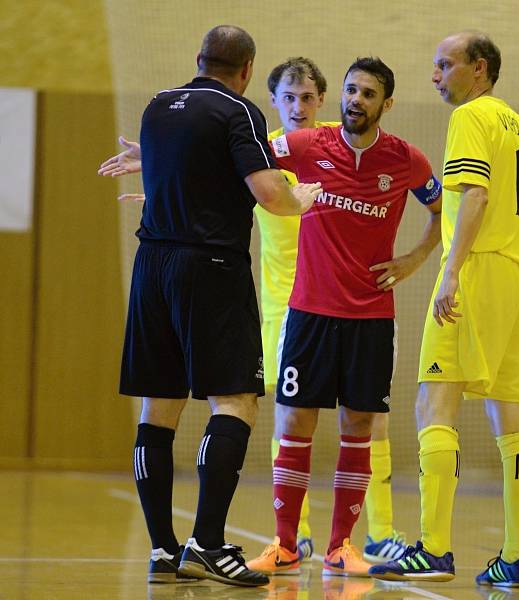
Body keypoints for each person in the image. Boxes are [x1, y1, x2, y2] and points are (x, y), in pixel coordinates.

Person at [100, 25, 321, 587]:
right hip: (213, 268)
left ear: (198, 59)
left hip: (152, 270)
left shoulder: (157, 108)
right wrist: (299, 200)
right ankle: (208, 541)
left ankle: (162, 550)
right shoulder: (238, 111)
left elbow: (187, 176)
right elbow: (268, 194)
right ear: (247, 69)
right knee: (237, 400)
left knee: (159, 407)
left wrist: (149, 164)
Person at [245, 57, 442, 578]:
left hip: (372, 317)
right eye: (351, 90)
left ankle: (341, 546)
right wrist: (161, 171)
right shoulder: (309, 145)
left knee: (360, 427)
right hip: (308, 313)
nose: (355, 100)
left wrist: (415, 258)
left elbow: (447, 208)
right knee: (294, 423)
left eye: (368, 94)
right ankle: (286, 544)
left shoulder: (406, 160)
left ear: (387, 104)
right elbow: (241, 158)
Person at [369, 31, 519, 588]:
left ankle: (435, 549)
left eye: (445, 64)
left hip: (481, 272)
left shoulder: (471, 117)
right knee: (510, 418)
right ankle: (515, 557)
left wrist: (450, 273)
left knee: (433, 402)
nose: (436, 75)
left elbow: (475, 195)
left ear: (479, 69)